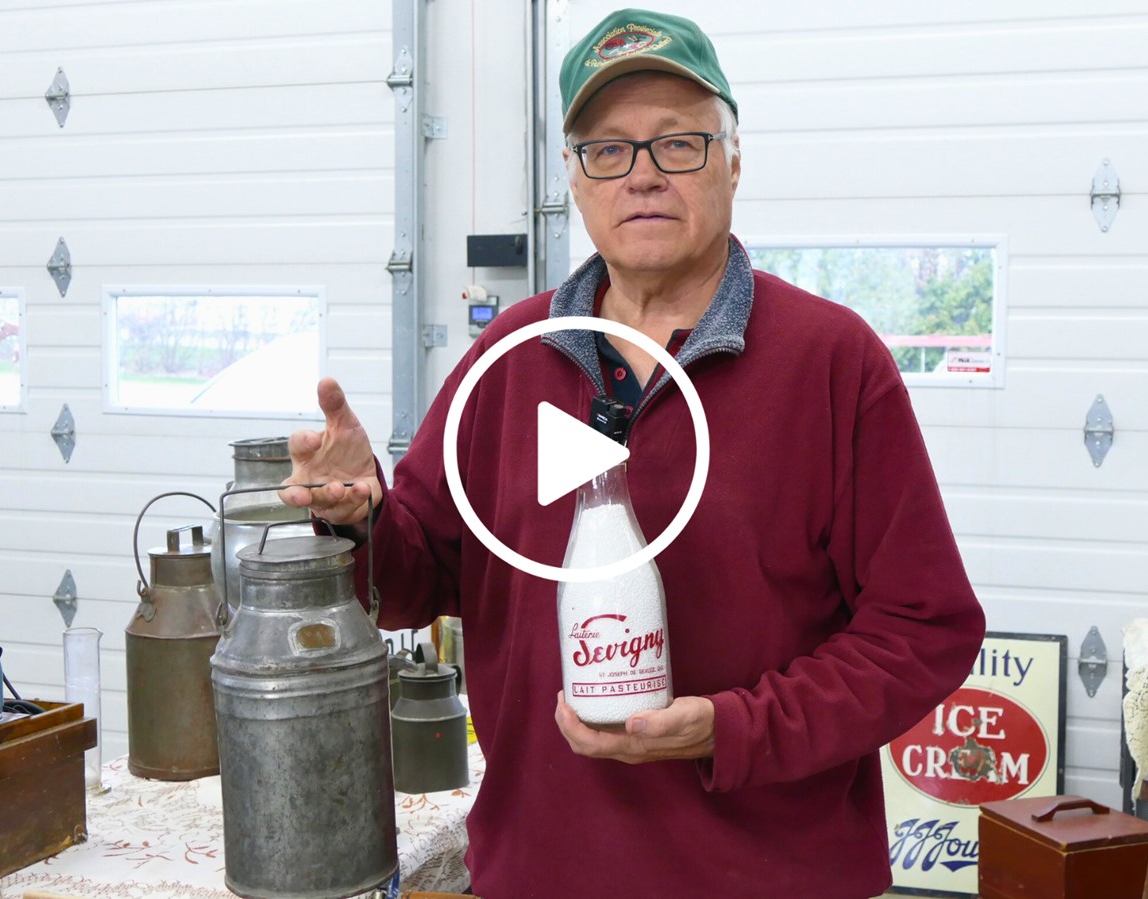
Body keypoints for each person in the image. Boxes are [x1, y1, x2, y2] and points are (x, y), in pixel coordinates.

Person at [282, 9, 985, 897]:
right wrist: (359, 517)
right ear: (575, 179)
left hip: (768, 878)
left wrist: (734, 728)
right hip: (539, 872)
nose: (643, 174)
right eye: (608, 150)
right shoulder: (510, 359)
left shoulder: (831, 362)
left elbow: (924, 630)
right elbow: (415, 577)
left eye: (678, 143)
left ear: (734, 159)